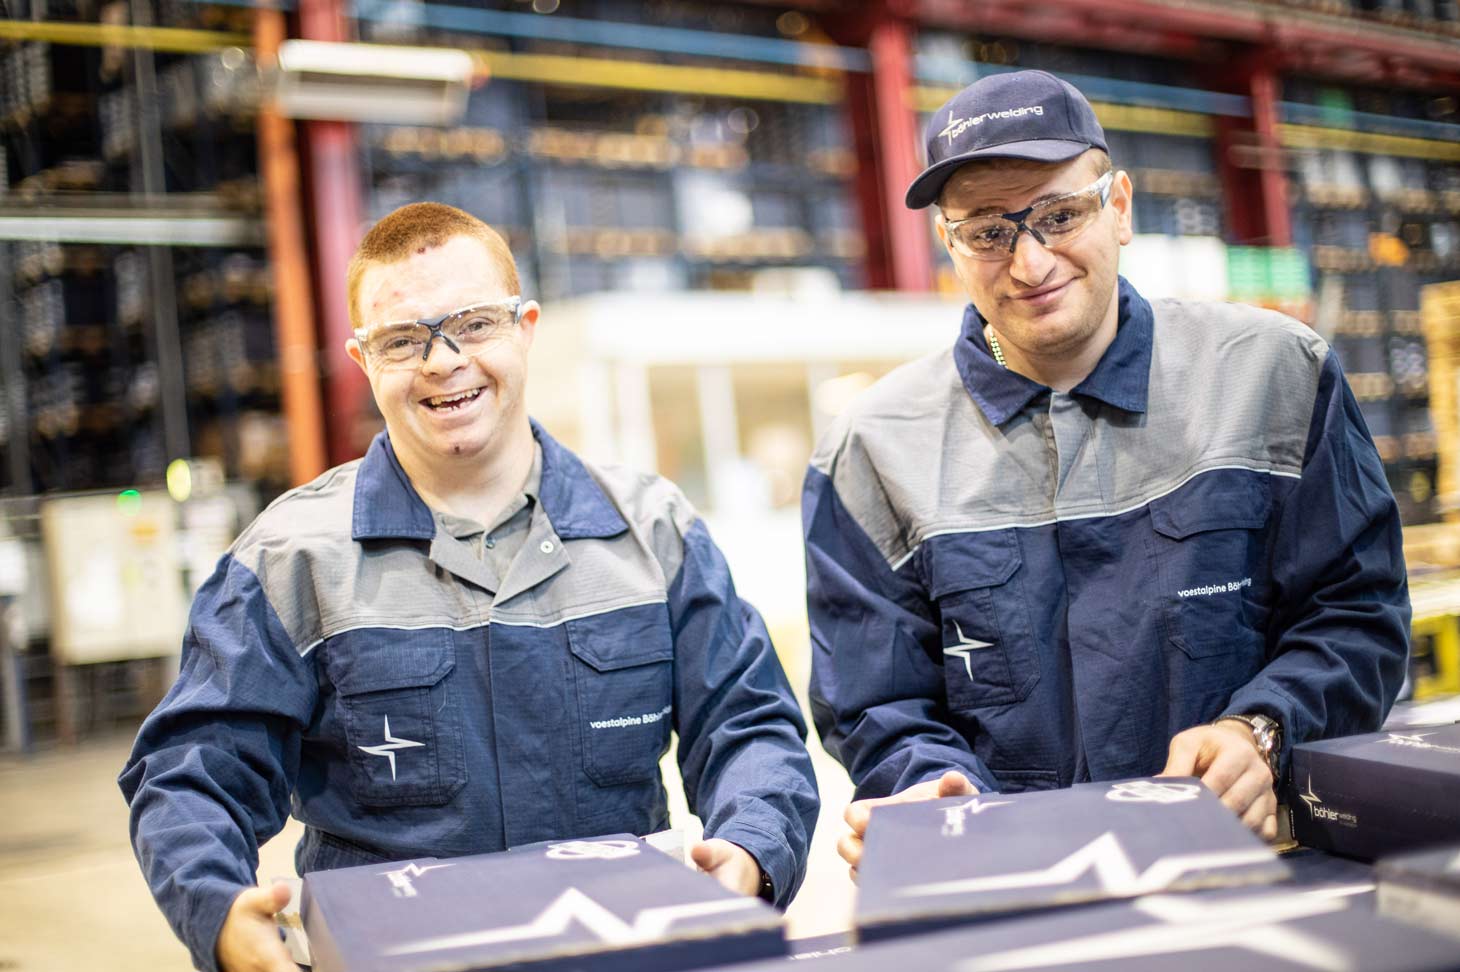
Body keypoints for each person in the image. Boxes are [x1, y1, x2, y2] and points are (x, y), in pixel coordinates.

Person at [120, 203, 819, 972]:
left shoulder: (651, 533)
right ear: (362, 359)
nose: (442, 361)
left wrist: (750, 849)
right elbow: (191, 775)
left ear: (526, 326)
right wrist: (220, 913)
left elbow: (749, 727)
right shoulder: (292, 560)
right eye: (402, 339)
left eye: (475, 324)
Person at [801, 70, 1409, 877]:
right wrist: (930, 790)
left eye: (1059, 215)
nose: (1029, 260)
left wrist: (1262, 732)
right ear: (949, 244)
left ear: (1118, 206)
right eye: (987, 232)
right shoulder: (872, 452)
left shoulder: (1274, 377)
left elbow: (1356, 613)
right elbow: (877, 703)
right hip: (1012, 893)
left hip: (1256, 870)